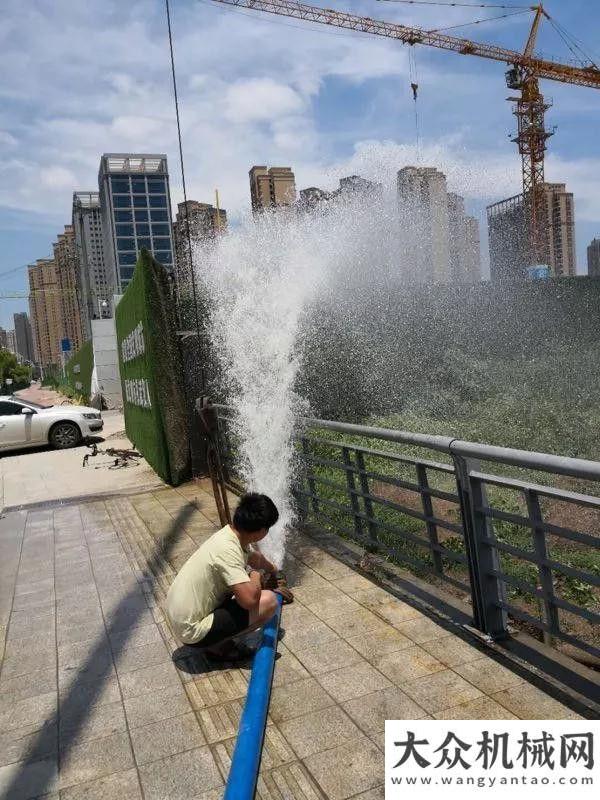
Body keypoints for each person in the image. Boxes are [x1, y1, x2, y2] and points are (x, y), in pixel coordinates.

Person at [165, 492, 283, 661]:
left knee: (244, 590)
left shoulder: (229, 535)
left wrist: (273, 569)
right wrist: (255, 575)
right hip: (191, 630)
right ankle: (216, 646)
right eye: (268, 528)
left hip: (180, 618)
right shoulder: (228, 551)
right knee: (268, 602)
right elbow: (249, 600)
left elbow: (255, 558)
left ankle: (215, 640)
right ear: (261, 532)